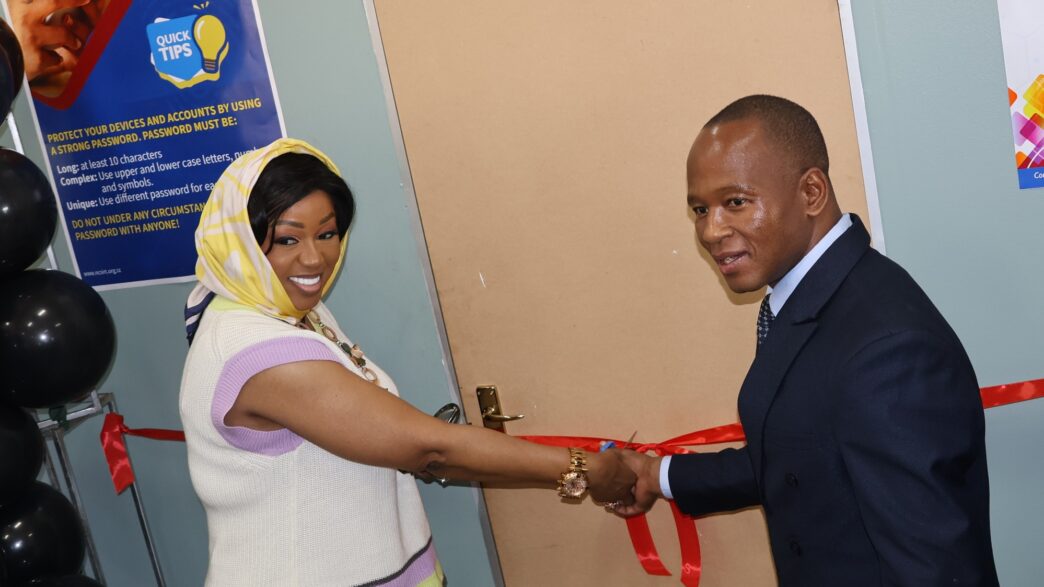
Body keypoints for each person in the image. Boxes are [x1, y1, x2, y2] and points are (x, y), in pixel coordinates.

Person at [179, 138, 635, 586]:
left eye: (327, 233)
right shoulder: (256, 350)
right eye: (286, 239)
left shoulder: (283, 308)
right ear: (240, 240)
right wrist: (585, 468)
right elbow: (429, 448)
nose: (314, 258)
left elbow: (401, 443)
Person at [616, 95, 999, 586]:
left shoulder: (888, 348)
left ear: (812, 192)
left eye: (735, 202)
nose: (711, 231)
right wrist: (659, 476)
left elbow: (934, 567)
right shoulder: (815, 299)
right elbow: (803, 454)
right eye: (699, 209)